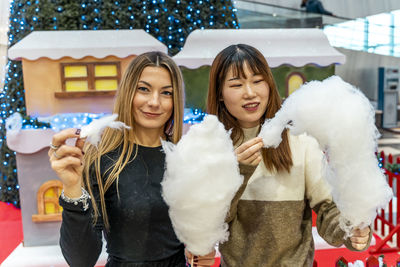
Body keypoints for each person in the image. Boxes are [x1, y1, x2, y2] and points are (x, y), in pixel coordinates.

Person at [205, 44, 371, 266]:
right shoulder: (210, 146)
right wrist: (240, 172)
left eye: (257, 81)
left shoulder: (299, 139)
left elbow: (326, 208)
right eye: (236, 84)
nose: (250, 93)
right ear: (220, 95)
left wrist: (350, 230)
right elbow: (211, 224)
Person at [48, 51, 187, 267]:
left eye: (166, 93)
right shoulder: (102, 160)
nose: (154, 102)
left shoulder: (187, 157)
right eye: (143, 89)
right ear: (128, 92)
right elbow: (81, 260)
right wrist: (73, 188)